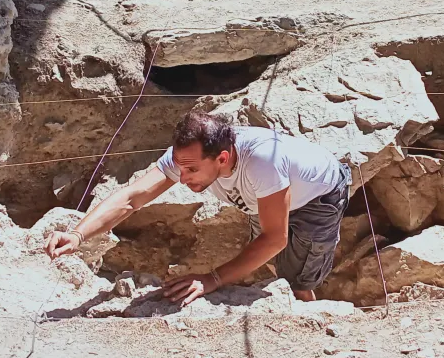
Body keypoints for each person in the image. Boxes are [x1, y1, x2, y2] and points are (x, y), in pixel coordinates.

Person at [45, 111, 352, 305]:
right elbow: (132, 196)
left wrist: (213, 279)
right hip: (268, 197)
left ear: (221, 158)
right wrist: (78, 234)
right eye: (180, 168)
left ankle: (309, 312)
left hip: (318, 196)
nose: (183, 177)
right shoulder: (187, 159)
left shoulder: (262, 162)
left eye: (191, 170)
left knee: (298, 273)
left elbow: (275, 237)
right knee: (276, 262)